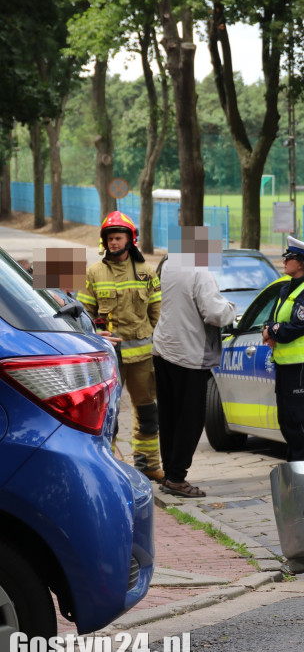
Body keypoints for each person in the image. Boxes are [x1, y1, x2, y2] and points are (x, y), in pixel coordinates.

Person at [78, 211, 164, 480]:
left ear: (130, 239)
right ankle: (108, 470)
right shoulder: (94, 272)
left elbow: (157, 314)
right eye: (110, 238)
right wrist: (96, 332)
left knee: (148, 412)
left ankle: (148, 464)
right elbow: (82, 314)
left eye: (118, 237)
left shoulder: (147, 272)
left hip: (142, 359)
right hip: (108, 359)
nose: (113, 243)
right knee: (107, 415)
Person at [152, 227, 237, 498]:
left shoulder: (167, 266)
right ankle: (177, 478)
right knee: (190, 419)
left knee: (169, 416)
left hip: (164, 349)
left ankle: (169, 473)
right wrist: (231, 310)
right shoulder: (200, 272)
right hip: (190, 354)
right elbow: (214, 313)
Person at [261, 236, 304, 462]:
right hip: (285, 364)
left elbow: (299, 326)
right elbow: (274, 320)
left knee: (298, 420)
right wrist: (270, 329)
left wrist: (273, 331)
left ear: (300, 263)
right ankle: (295, 466)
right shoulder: (288, 290)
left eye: (288, 257)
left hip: (301, 365)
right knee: (286, 420)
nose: (284, 261)